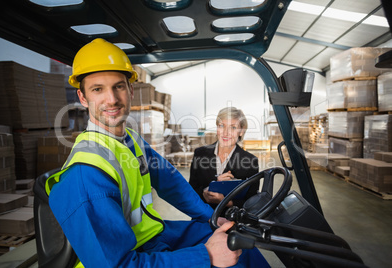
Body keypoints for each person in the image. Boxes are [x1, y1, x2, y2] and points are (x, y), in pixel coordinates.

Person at [45, 38, 269, 268]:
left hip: (153, 237)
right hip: (132, 256)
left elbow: (171, 182)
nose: (111, 99)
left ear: (131, 90)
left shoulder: (131, 141)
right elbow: (118, 265)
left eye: (118, 86)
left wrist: (211, 217)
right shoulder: (85, 176)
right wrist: (206, 256)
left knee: (238, 244)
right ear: (83, 98)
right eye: (97, 89)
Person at [189, 107, 260, 214]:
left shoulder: (250, 161)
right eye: (222, 126)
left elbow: (252, 202)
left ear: (241, 131)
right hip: (202, 216)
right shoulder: (200, 154)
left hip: (231, 221)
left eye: (233, 127)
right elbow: (191, 191)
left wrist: (227, 202)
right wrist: (206, 191)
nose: (226, 133)